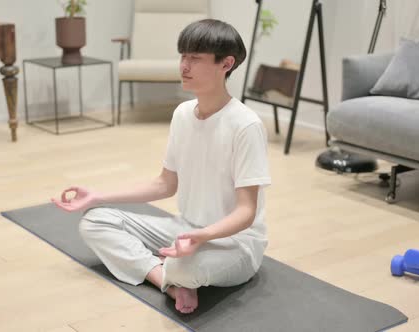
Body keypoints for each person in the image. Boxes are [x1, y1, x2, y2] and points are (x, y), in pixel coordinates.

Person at [52, 19, 271, 314]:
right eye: (183, 55)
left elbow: (247, 211)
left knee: (182, 264)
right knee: (95, 220)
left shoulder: (246, 125)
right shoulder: (182, 114)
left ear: (226, 64)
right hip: (185, 229)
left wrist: (203, 237)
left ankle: (176, 274)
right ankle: (167, 281)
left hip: (235, 245)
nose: (184, 65)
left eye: (195, 58)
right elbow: (164, 184)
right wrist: (97, 196)